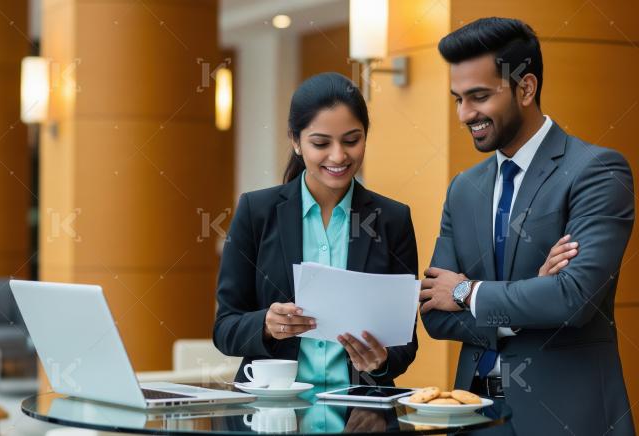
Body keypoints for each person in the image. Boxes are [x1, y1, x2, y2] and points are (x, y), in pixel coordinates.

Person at [419, 17, 635, 435]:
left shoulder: (596, 172)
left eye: (479, 96)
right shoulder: (463, 189)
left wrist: (467, 291)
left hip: (567, 418)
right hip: (474, 415)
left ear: (525, 88)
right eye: (458, 99)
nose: (465, 114)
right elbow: (434, 312)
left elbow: (573, 299)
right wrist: (528, 298)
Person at [213, 72, 418, 387]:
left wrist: (380, 362)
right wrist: (265, 324)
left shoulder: (392, 219)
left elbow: (405, 340)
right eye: (321, 143)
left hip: (361, 414)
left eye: (352, 140)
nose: (339, 156)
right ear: (296, 141)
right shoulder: (257, 212)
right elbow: (225, 328)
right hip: (275, 415)